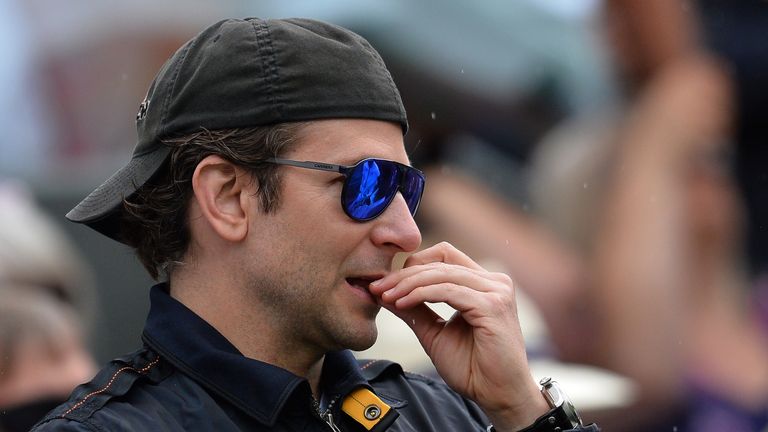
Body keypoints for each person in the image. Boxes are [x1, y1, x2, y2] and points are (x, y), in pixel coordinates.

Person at [32, 18, 599, 431]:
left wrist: (524, 410)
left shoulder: (443, 413)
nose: (406, 232)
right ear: (228, 198)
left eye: (408, 189)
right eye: (367, 185)